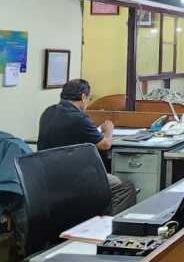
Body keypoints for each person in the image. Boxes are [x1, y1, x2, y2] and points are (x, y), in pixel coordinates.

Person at [37, 79, 137, 214]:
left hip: (47, 176)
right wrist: (109, 131)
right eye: (89, 98)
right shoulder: (78, 117)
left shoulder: (48, 112)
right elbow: (105, 144)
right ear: (83, 97)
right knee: (125, 187)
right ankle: (106, 225)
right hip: (72, 177)